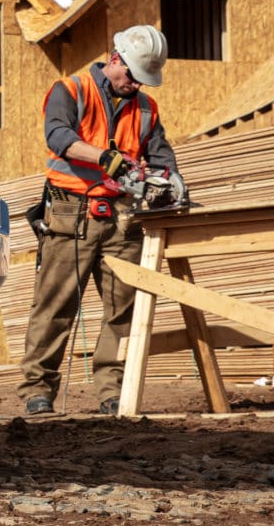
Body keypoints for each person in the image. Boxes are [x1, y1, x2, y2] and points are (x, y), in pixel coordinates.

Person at [17, 24, 177, 417]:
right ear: (115, 59)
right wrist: (105, 158)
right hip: (70, 213)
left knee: (122, 309)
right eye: (132, 76)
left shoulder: (145, 108)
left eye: (143, 80)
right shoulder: (70, 90)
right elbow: (58, 137)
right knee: (55, 306)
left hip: (122, 217)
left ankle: (112, 391)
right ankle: (38, 388)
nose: (136, 85)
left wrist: (167, 184)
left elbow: (162, 160)